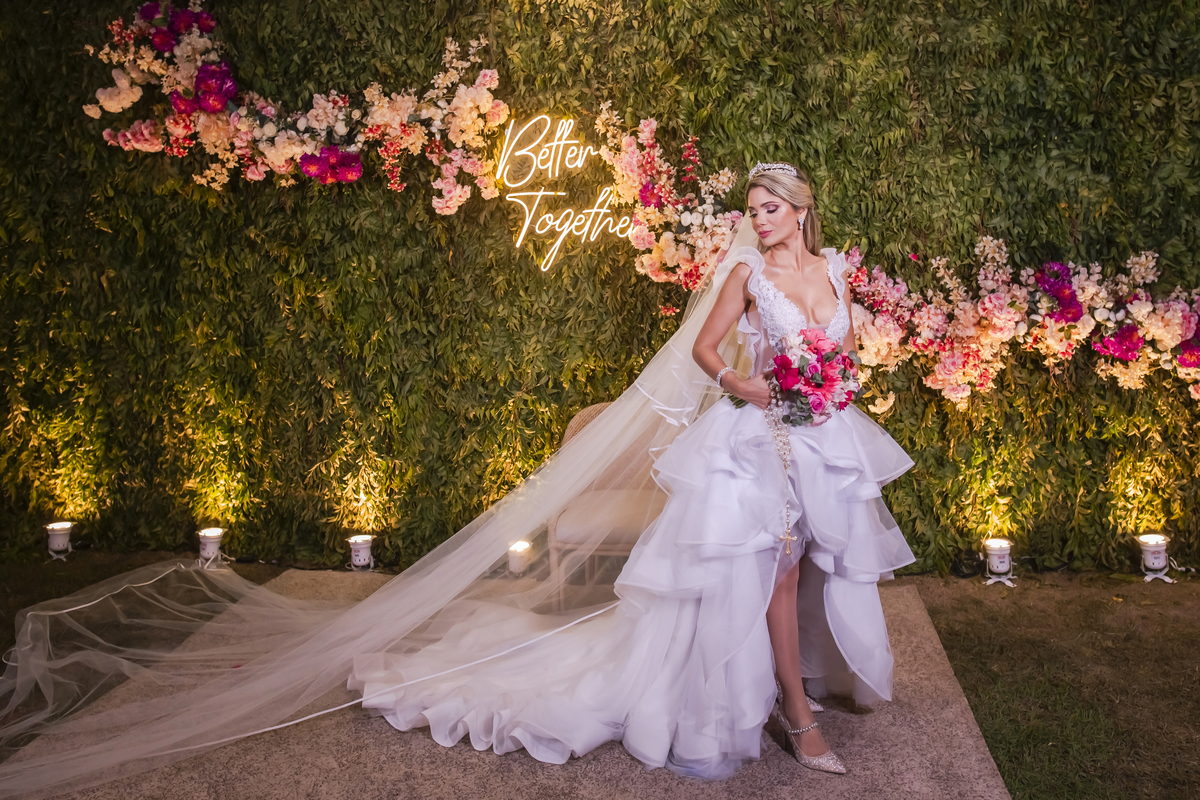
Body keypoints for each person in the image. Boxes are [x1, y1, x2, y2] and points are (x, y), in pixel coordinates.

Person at [0, 162, 916, 797]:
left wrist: (841, 379)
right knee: (771, 571)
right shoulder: (745, 276)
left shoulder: (834, 273)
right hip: (754, 439)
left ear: (801, 211)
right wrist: (745, 382)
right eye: (749, 208)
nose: (755, 220)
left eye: (769, 208)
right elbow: (710, 352)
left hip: (823, 434)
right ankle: (793, 717)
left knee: (811, 568)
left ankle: (804, 694)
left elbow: (844, 349)